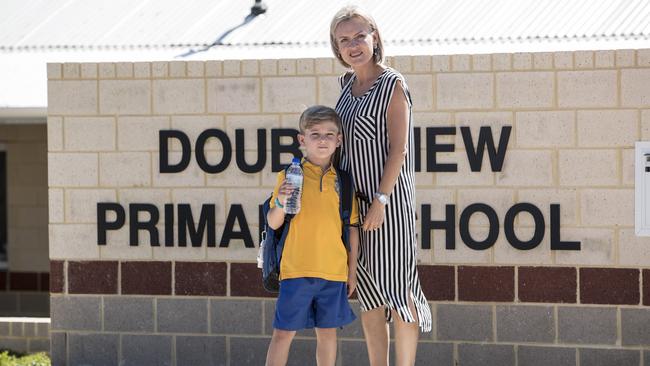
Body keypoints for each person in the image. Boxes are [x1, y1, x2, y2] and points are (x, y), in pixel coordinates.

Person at [330, 6, 433, 366]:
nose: (353, 45)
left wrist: (381, 200)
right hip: (354, 210)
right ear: (337, 48)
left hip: (387, 207)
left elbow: (399, 149)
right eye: (344, 40)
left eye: (360, 36)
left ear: (374, 38)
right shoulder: (345, 86)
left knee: (399, 291)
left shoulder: (393, 84)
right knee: (369, 296)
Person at [264, 105, 360, 366]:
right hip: (296, 269)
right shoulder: (289, 176)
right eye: (315, 134)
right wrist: (281, 201)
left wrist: (351, 273)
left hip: (333, 272)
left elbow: (352, 230)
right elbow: (273, 223)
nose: (322, 140)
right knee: (283, 334)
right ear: (302, 140)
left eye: (330, 134)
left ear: (339, 141)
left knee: (328, 335)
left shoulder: (344, 181)